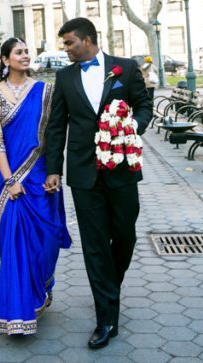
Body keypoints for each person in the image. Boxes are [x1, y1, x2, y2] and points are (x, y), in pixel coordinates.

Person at [43, 18, 153, 350]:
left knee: (124, 233)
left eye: (69, 43)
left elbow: (144, 104)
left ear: (88, 40)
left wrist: (131, 127)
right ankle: (106, 318)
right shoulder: (63, 77)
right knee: (93, 244)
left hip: (121, 167)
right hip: (83, 173)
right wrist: (54, 169)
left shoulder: (125, 68)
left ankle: (109, 286)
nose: (65, 48)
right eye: (64, 44)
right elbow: (56, 125)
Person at [0, 37, 71, 336]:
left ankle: (42, 289)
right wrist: (11, 181)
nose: (25, 55)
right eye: (18, 52)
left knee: (46, 241)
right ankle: (17, 313)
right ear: (5, 60)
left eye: (26, 52)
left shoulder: (45, 91)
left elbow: (53, 135)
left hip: (42, 177)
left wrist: (54, 172)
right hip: (10, 181)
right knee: (16, 245)